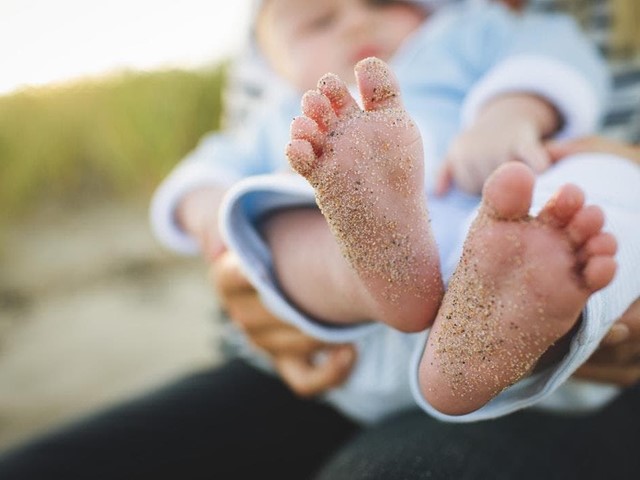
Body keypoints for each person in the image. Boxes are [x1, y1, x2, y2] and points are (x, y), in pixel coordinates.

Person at [0, 1, 638, 479]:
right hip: (344, 343)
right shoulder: (291, 115)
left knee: (597, 179)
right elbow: (199, 180)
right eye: (318, 21)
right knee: (276, 207)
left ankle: (499, 321)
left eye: (387, 1)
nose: (358, 23)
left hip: (539, 314)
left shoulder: (465, 36)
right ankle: (375, 269)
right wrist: (213, 221)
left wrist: (511, 114)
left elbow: (551, 51)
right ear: (269, 63)